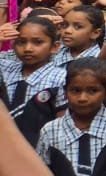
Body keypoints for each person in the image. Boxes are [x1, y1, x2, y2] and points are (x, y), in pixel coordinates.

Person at [2, 15, 67, 148]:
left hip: (37, 149)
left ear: (54, 47)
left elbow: (62, 122)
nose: (28, 48)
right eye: (21, 42)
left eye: (37, 42)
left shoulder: (60, 78)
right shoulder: (4, 68)